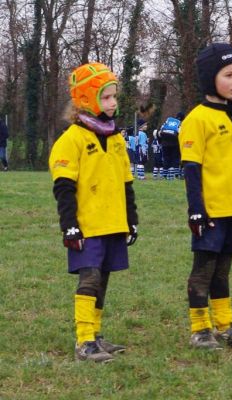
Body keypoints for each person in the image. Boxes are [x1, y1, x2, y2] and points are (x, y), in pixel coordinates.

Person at [48, 62, 138, 362]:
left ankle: (96, 333)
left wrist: (131, 220)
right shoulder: (70, 140)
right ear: (86, 99)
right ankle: (83, 340)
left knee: (104, 279)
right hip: (87, 226)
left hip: (113, 223)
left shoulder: (116, 139)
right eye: (106, 97)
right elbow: (63, 188)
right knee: (89, 278)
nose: (113, 103)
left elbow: (126, 183)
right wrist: (69, 225)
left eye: (114, 96)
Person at [179, 43, 232, 350]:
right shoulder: (197, 119)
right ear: (210, 78)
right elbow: (191, 168)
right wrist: (197, 210)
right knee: (204, 268)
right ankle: (200, 328)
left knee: (223, 269)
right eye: (228, 74)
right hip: (211, 210)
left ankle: (225, 325)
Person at [158, 112, 184, 180]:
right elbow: (181, 134)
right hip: (175, 143)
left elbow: (160, 133)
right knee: (175, 158)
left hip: (165, 143)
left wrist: (161, 142)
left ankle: (164, 175)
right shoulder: (180, 123)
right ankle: (176, 175)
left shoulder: (168, 121)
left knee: (166, 158)